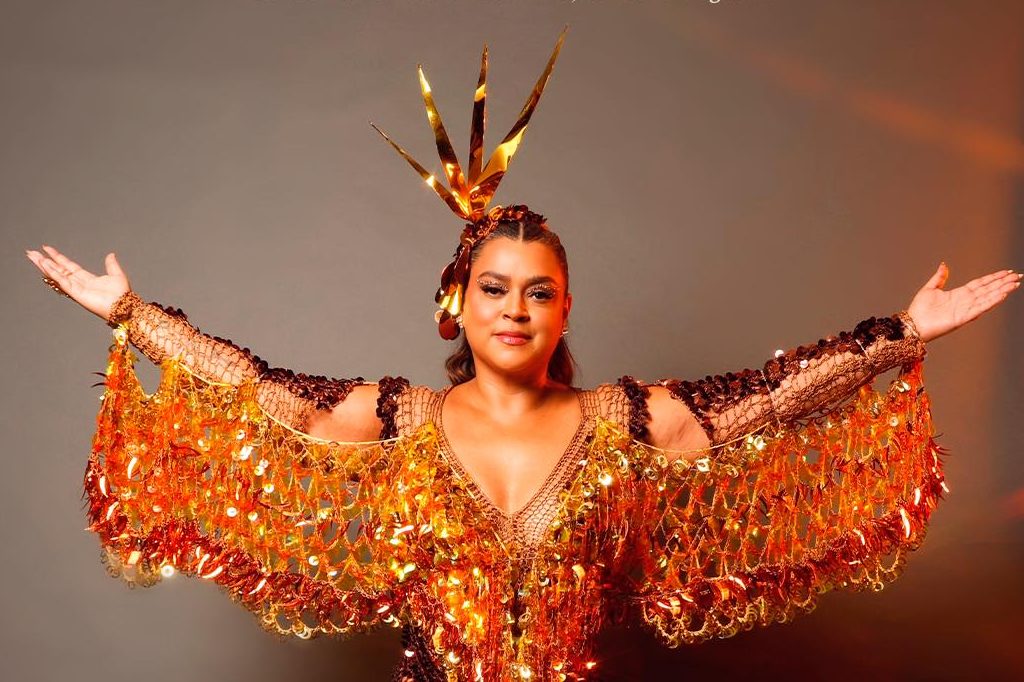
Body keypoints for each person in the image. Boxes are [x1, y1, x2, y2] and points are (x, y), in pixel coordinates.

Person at [24, 29, 1021, 682]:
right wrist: (134, 316)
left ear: (563, 309)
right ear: (455, 304)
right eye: (494, 288)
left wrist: (900, 334)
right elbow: (259, 393)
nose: (515, 309)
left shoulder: (624, 423)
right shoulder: (399, 422)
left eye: (538, 292)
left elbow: (768, 401)